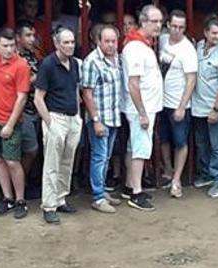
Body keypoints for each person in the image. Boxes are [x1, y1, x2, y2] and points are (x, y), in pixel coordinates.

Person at [0, 27, 32, 219]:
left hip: (9, 120)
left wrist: (10, 124)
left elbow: (21, 98)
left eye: (12, 45)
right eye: (5, 46)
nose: (9, 50)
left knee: (12, 161)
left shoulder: (21, 66)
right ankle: (8, 197)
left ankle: (20, 200)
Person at [34, 26, 82, 223]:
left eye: (72, 42)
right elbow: (38, 98)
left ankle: (60, 199)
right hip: (56, 117)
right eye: (66, 42)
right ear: (56, 43)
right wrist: (50, 123)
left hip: (72, 118)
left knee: (67, 161)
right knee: (52, 163)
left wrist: (78, 115)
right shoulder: (47, 65)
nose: (70, 46)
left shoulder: (75, 64)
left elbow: (76, 89)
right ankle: (49, 205)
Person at [121, 5, 163, 210]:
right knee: (140, 148)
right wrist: (142, 113)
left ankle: (130, 185)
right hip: (141, 107)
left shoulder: (141, 45)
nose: (158, 25)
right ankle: (136, 192)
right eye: (154, 21)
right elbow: (133, 84)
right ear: (143, 22)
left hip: (143, 106)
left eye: (160, 21)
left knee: (134, 146)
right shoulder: (136, 48)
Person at [81, 24, 124, 214]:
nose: (111, 45)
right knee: (99, 156)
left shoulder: (117, 59)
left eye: (114, 41)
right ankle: (98, 197)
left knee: (105, 156)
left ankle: (102, 191)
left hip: (113, 116)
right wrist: (96, 120)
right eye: (107, 41)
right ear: (98, 41)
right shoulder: (92, 61)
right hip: (100, 117)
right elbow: (87, 94)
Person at [191, 17, 218, 198]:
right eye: (214, 33)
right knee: (202, 143)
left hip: (217, 108)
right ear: (206, 33)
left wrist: (216, 110)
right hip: (199, 106)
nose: (217, 36)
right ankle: (206, 174)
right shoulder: (200, 46)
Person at [158, 10, 197, 198]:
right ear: (168, 25)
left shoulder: (188, 49)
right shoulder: (162, 40)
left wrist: (182, 106)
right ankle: (167, 169)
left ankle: (177, 179)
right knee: (163, 138)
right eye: (174, 26)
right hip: (161, 101)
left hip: (178, 103)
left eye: (181, 27)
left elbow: (191, 80)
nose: (177, 30)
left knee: (180, 141)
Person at [15, 21, 42, 185]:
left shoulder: (32, 55)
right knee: (31, 150)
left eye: (33, 35)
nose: (32, 39)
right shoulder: (15, 58)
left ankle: (23, 183)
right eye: (28, 35)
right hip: (22, 111)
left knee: (32, 149)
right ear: (18, 38)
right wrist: (37, 77)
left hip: (35, 109)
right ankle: (20, 183)